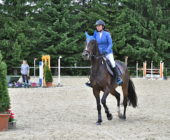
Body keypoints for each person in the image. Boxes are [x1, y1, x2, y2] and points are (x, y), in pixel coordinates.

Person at [86, 19, 123, 87]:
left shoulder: (107, 34)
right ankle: (91, 80)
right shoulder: (95, 34)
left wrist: (106, 51)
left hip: (107, 53)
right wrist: (88, 38)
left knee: (112, 62)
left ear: (102, 26)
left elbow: (110, 44)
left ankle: (118, 78)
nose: (97, 27)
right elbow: (92, 41)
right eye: (97, 26)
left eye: (99, 26)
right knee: (94, 64)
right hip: (99, 54)